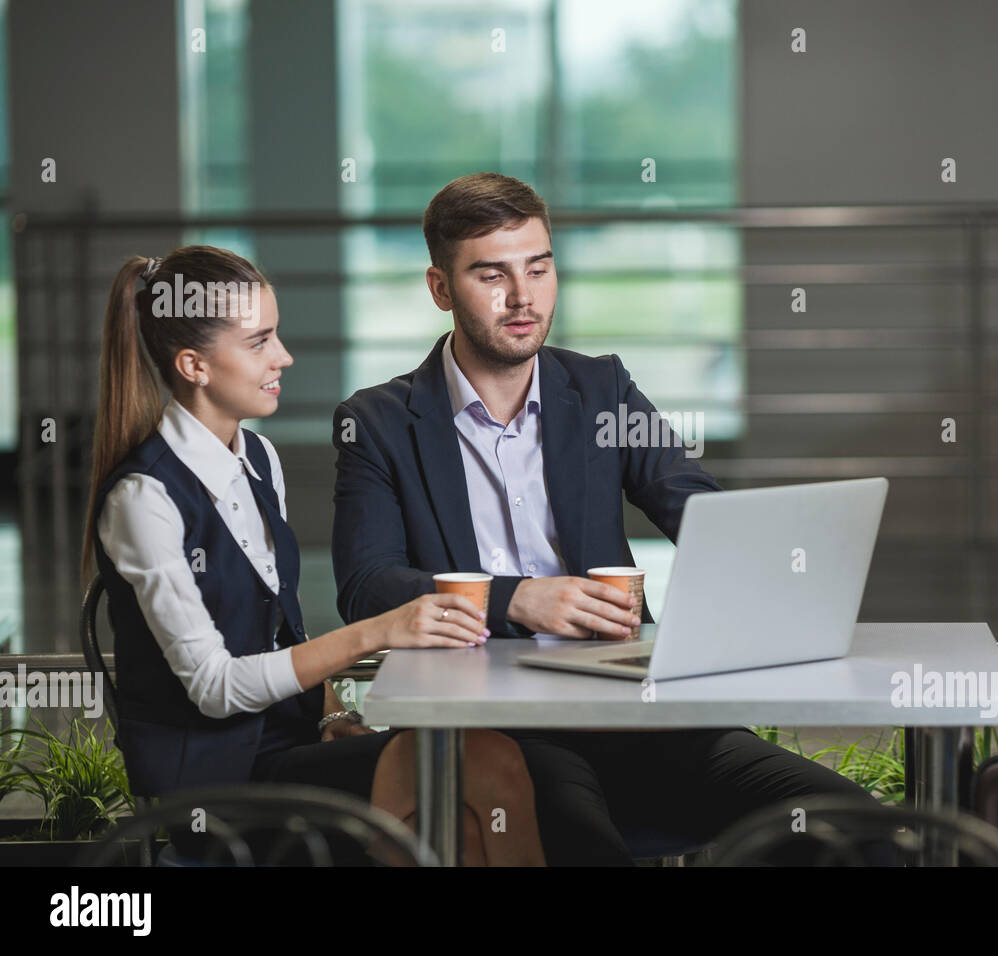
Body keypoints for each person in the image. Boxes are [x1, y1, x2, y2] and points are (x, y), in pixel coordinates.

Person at [331, 173, 881, 866]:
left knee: (851, 826)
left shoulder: (601, 389)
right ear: (441, 288)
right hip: (500, 726)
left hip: (633, 704)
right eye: (491, 274)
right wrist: (520, 597)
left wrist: (784, 564)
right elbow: (369, 587)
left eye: (539, 266)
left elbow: (699, 511)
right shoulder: (379, 423)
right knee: (581, 840)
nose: (523, 296)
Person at [82, 245, 545, 866]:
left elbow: (280, 633)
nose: (283, 357)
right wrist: (377, 631)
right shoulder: (143, 499)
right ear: (193, 364)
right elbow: (215, 687)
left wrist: (330, 719)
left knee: (471, 789)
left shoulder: (258, 459)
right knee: (479, 768)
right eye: (259, 342)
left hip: (288, 752)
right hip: (213, 792)